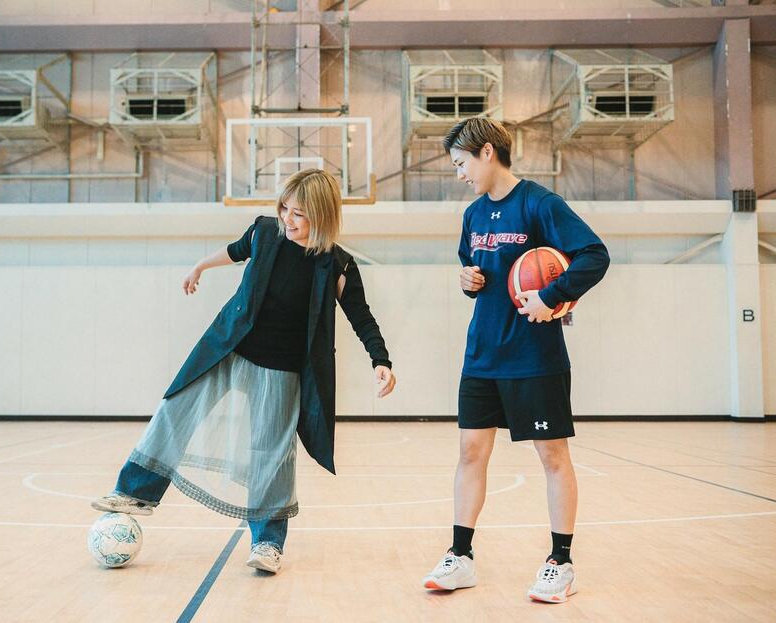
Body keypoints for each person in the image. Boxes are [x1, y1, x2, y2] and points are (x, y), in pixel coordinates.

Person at [92, 168, 396, 574]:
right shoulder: (264, 232)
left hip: (283, 367)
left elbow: (362, 317)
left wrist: (382, 361)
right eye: (285, 208)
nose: (288, 218)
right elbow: (235, 250)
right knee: (176, 406)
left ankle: (268, 542)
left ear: (322, 216)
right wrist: (201, 265)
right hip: (229, 347)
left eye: (299, 214)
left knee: (272, 452)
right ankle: (134, 491)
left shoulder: (337, 266)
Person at [421, 118, 610, 603]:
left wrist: (553, 295)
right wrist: (469, 282)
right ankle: (460, 556)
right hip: (482, 354)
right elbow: (474, 270)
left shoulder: (540, 204)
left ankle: (560, 563)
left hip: (534, 356)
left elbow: (594, 255)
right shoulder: (473, 216)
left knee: (552, 457)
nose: (459, 174)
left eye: (461, 163)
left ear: (487, 153)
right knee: (469, 453)